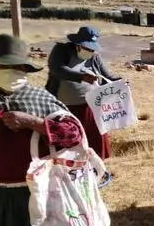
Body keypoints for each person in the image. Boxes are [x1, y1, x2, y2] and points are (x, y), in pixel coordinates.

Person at [0, 34, 94, 226]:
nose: (8, 72)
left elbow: (74, 135)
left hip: (36, 191)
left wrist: (34, 122)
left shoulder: (39, 98)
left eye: (15, 67)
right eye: (0, 65)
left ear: (25, 69)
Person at [46, 26, 122, 185]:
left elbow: (107, 77)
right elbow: (57, 69)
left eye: (92, 48)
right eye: (86, 47)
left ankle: (96, 170)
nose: (89, 51)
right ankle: (70, 173)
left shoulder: (94, 57)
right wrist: (81, 77)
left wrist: (120, 82)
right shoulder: (61, 51)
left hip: (90, 106)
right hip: (65, 108)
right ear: (77, 44)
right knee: (70, 141)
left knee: (94, 138)